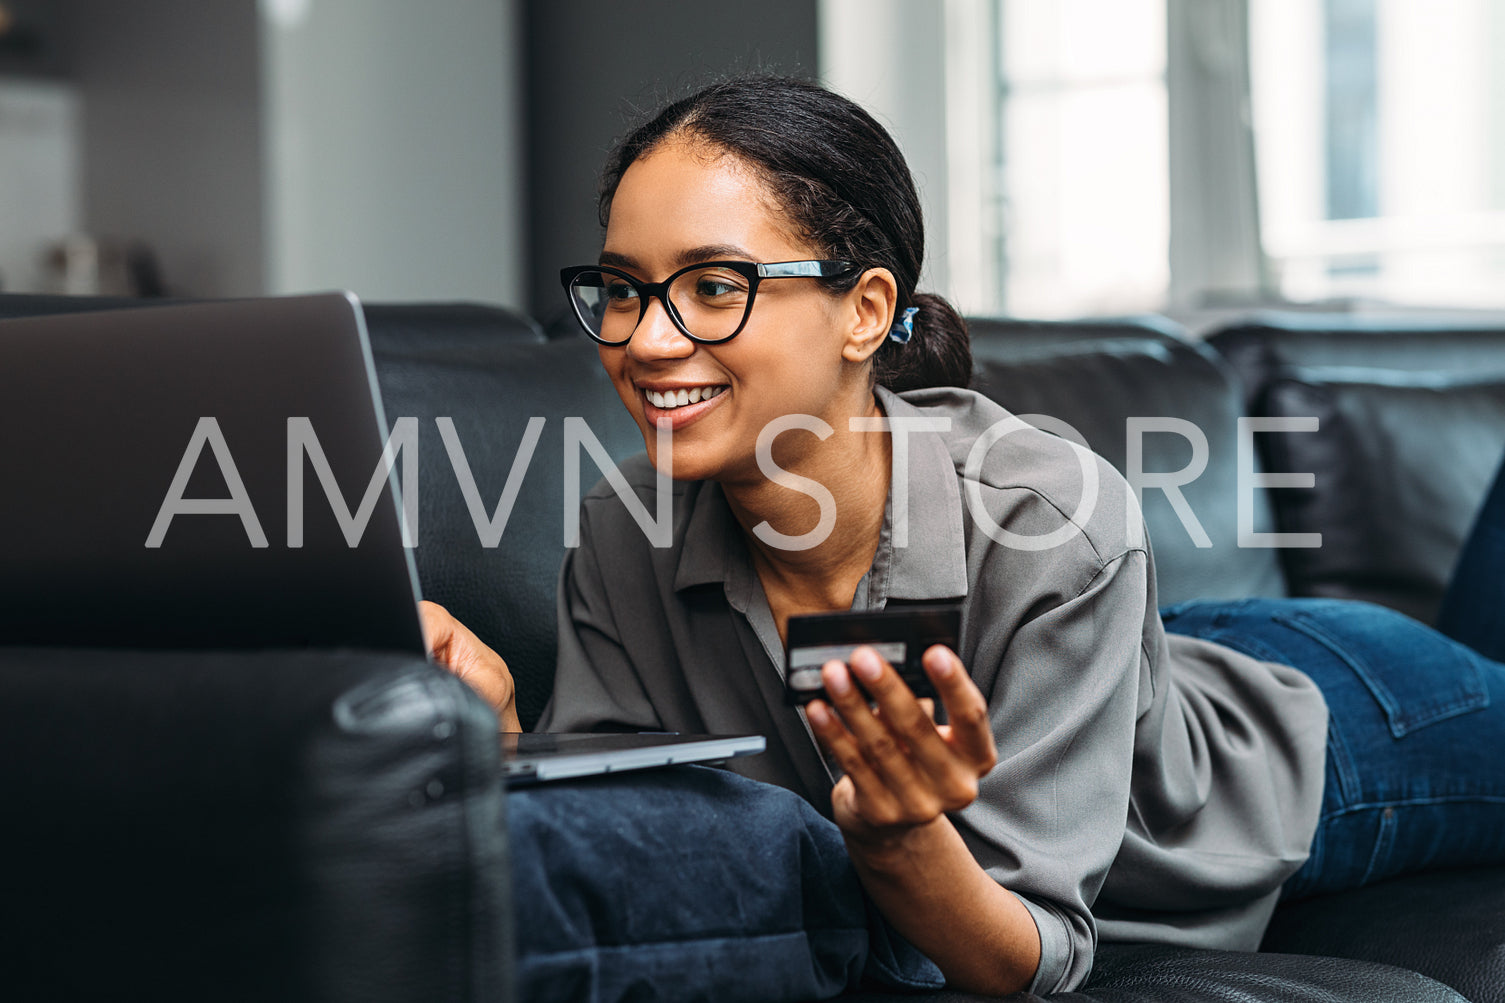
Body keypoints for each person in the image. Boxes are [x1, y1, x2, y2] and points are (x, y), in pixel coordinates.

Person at [419, 75, 1505, 998]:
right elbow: (630, 816)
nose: (648, 339)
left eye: (713, 287)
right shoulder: (627, 524)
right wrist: (509, 729)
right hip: (1134, 654)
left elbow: (1031, 957)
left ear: (863, 308)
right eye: (620, 289)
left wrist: (898, 841)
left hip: (1336, 732)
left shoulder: (1048, 513)